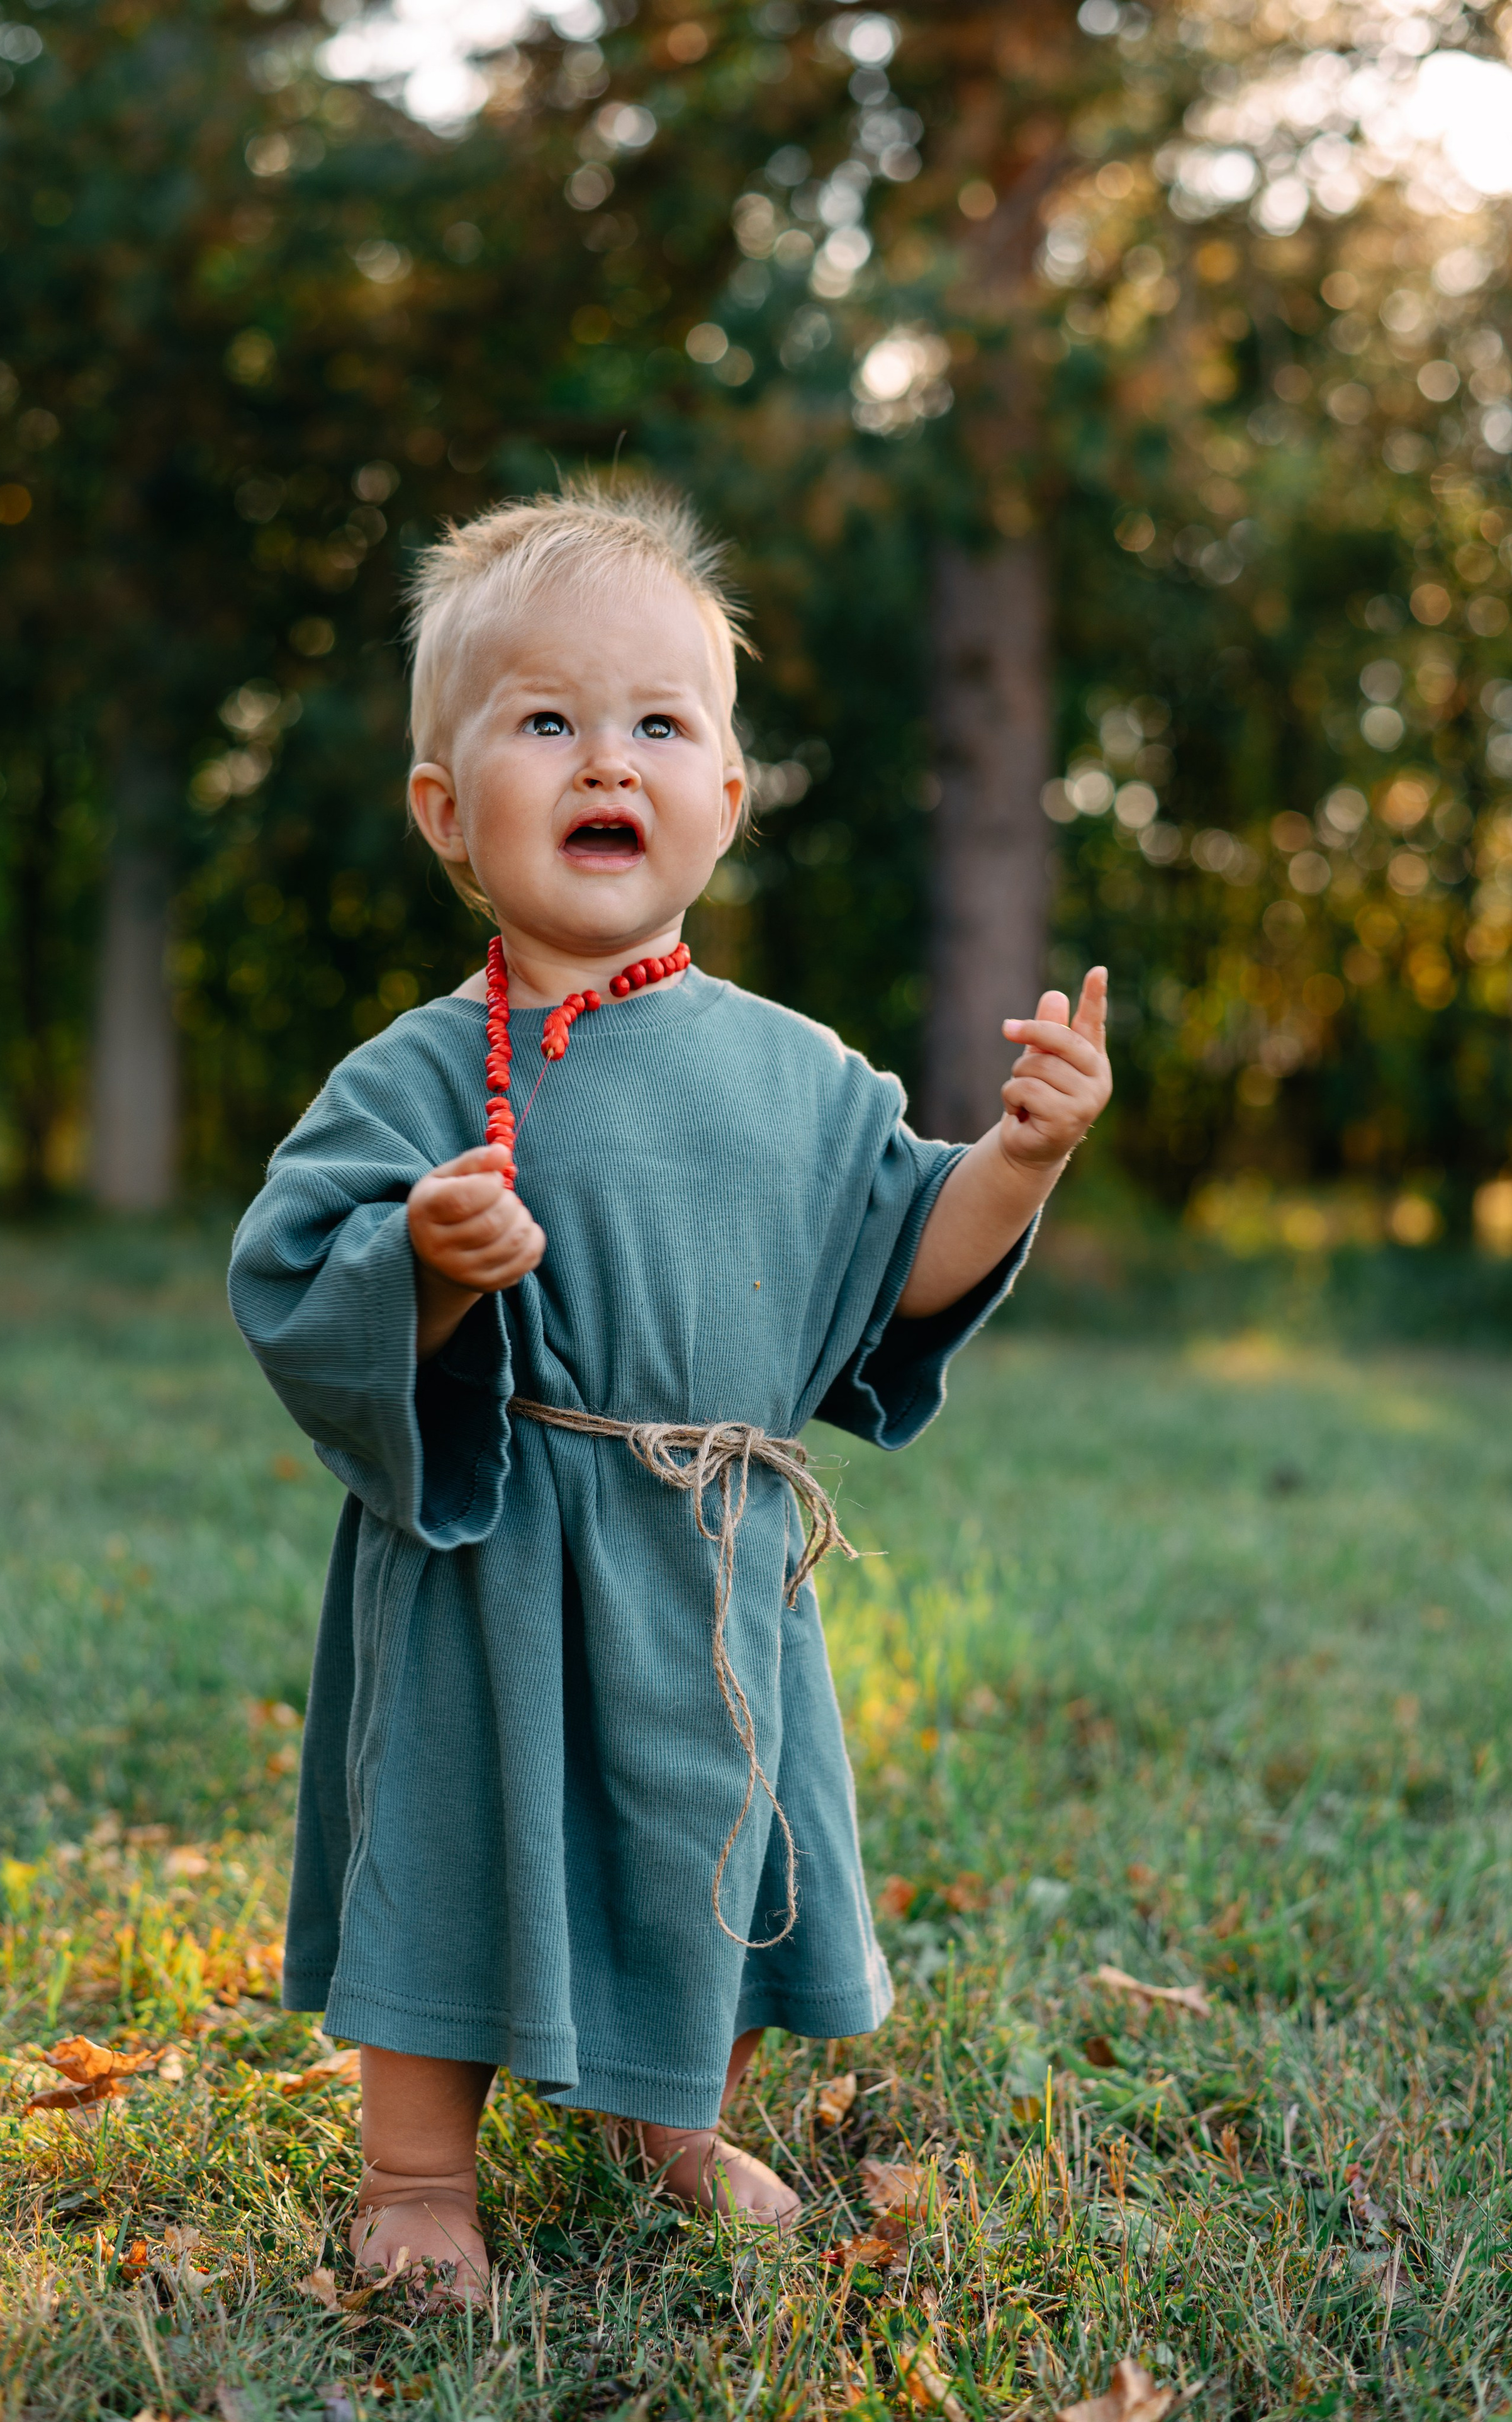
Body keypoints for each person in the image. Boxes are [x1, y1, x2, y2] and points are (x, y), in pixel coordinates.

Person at [228, 480, 1111, 2309]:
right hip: (497, 1559)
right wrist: (426, 1262)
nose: (606, 759)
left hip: (711, 1554)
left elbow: (901, 1249)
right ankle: (418, 2174)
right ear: (447, 810)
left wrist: (1018, 1160)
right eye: (546, 723)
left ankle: (675, 2116)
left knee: (721, 1838)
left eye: (656, 723)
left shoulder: (800, 1076)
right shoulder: (417, 1075)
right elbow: (295, 1272)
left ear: (724, 792)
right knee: (457, 1838)